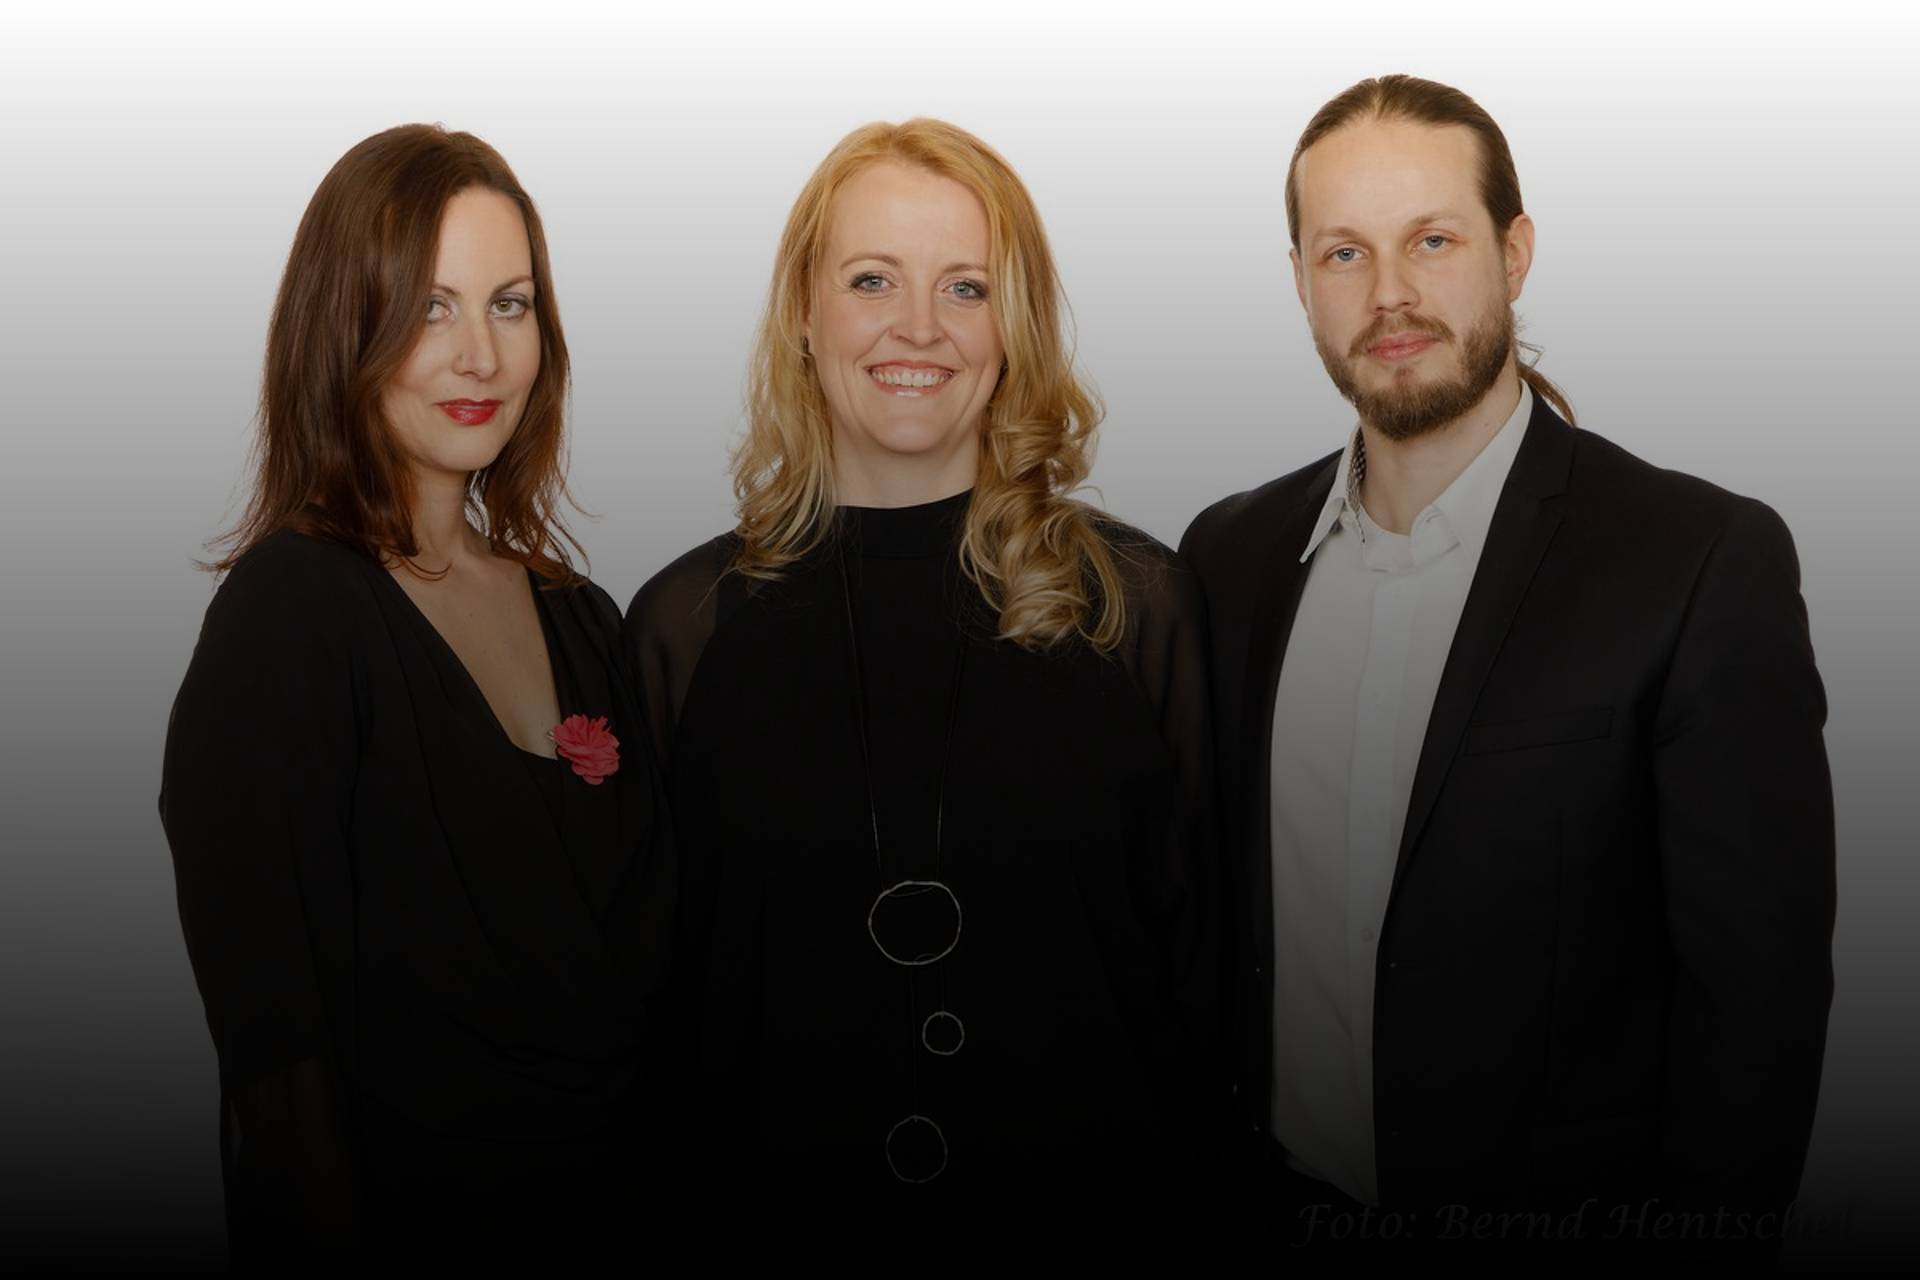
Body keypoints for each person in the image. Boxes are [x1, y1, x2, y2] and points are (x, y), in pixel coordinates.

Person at [1181, 75, 1834, 1258]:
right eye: (1344, 252)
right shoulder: (1225, 559)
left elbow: (1758, 1016)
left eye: (1432, 240)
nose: (1389, 293)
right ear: (1300, 281)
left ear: (1514, 252)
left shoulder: (1695, 561)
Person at [625, 118, 1223, 1239]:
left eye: (966, 287)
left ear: (1016, 325)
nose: (918, 327)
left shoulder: (1138, 604)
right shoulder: (681, 625)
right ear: (804, 314)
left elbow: (1206, 988)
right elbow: (655, 1021)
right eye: (872, 280)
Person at [159, 125, 674, 1263]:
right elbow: (278, 1063)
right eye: (430, 308)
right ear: (344, 325)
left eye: (510, 304)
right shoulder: (287, 616)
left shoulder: (584, 618)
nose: (480, 356)